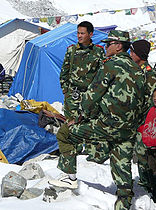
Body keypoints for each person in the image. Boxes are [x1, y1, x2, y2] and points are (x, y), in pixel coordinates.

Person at [49, 30, 147, 210]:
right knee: (121, 161)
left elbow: (92, 96)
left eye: (109, 43)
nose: (105, 46)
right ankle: (124, 201)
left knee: (65, 134)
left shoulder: (110, 65)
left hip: (107, 125)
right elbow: (144, 103)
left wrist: (77, 118)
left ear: (118, 47)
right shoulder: (139, 71)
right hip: (128, 128)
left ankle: (68, 176)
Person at [129, 39, 156, 194]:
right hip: (135, 120)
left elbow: (149, 102)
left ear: (139, 55)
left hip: (145, 122)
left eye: (132, 52)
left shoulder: (149, 75)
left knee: (143, 154)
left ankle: (150, 187)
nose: (130, 54)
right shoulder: (134, 71)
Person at [59, 21, 105, 121]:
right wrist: (65, 90)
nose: (79, 36)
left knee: (87, 123)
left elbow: (101, 74)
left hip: (89, 96)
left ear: (90, 34)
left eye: (82, 33)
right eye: (78, 33)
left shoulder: (98, 51)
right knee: (70, 123)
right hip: (72, 95)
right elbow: (64, 72)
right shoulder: (71, 50)